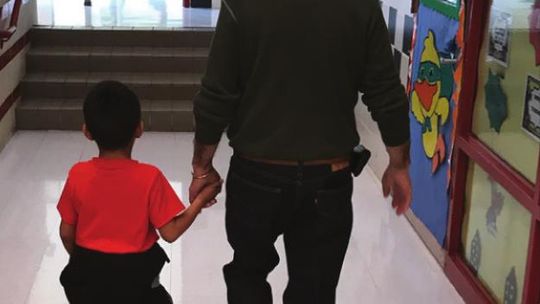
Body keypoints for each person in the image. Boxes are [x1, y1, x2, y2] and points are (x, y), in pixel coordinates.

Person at [189, 0, 412, 303]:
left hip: (256, 174)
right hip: (328, 178)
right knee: (315, 291)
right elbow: (385, 91)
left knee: (248, 277)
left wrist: (202, 166)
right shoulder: (361, 6)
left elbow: (217, 94)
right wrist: (398, 163)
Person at [57, 81, 221, 304]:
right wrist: (200, 200)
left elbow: (67, 233)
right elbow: (170, 232)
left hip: (87, 280)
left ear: (87, 131)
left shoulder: (78, 174)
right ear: (139, 128)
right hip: (136, 281)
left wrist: (83, 261)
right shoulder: (149, 177)